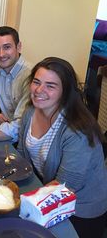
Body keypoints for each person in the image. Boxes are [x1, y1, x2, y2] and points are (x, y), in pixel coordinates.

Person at [17, 57, 107, 238]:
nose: (39, 90)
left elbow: (65, 187)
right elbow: (20, 156)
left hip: (80, 208)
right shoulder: (30, 112)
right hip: (47, 189)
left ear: (65, 92)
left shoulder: (77, 129)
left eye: (50, 86)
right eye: (36, 82)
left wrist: (18, 203)